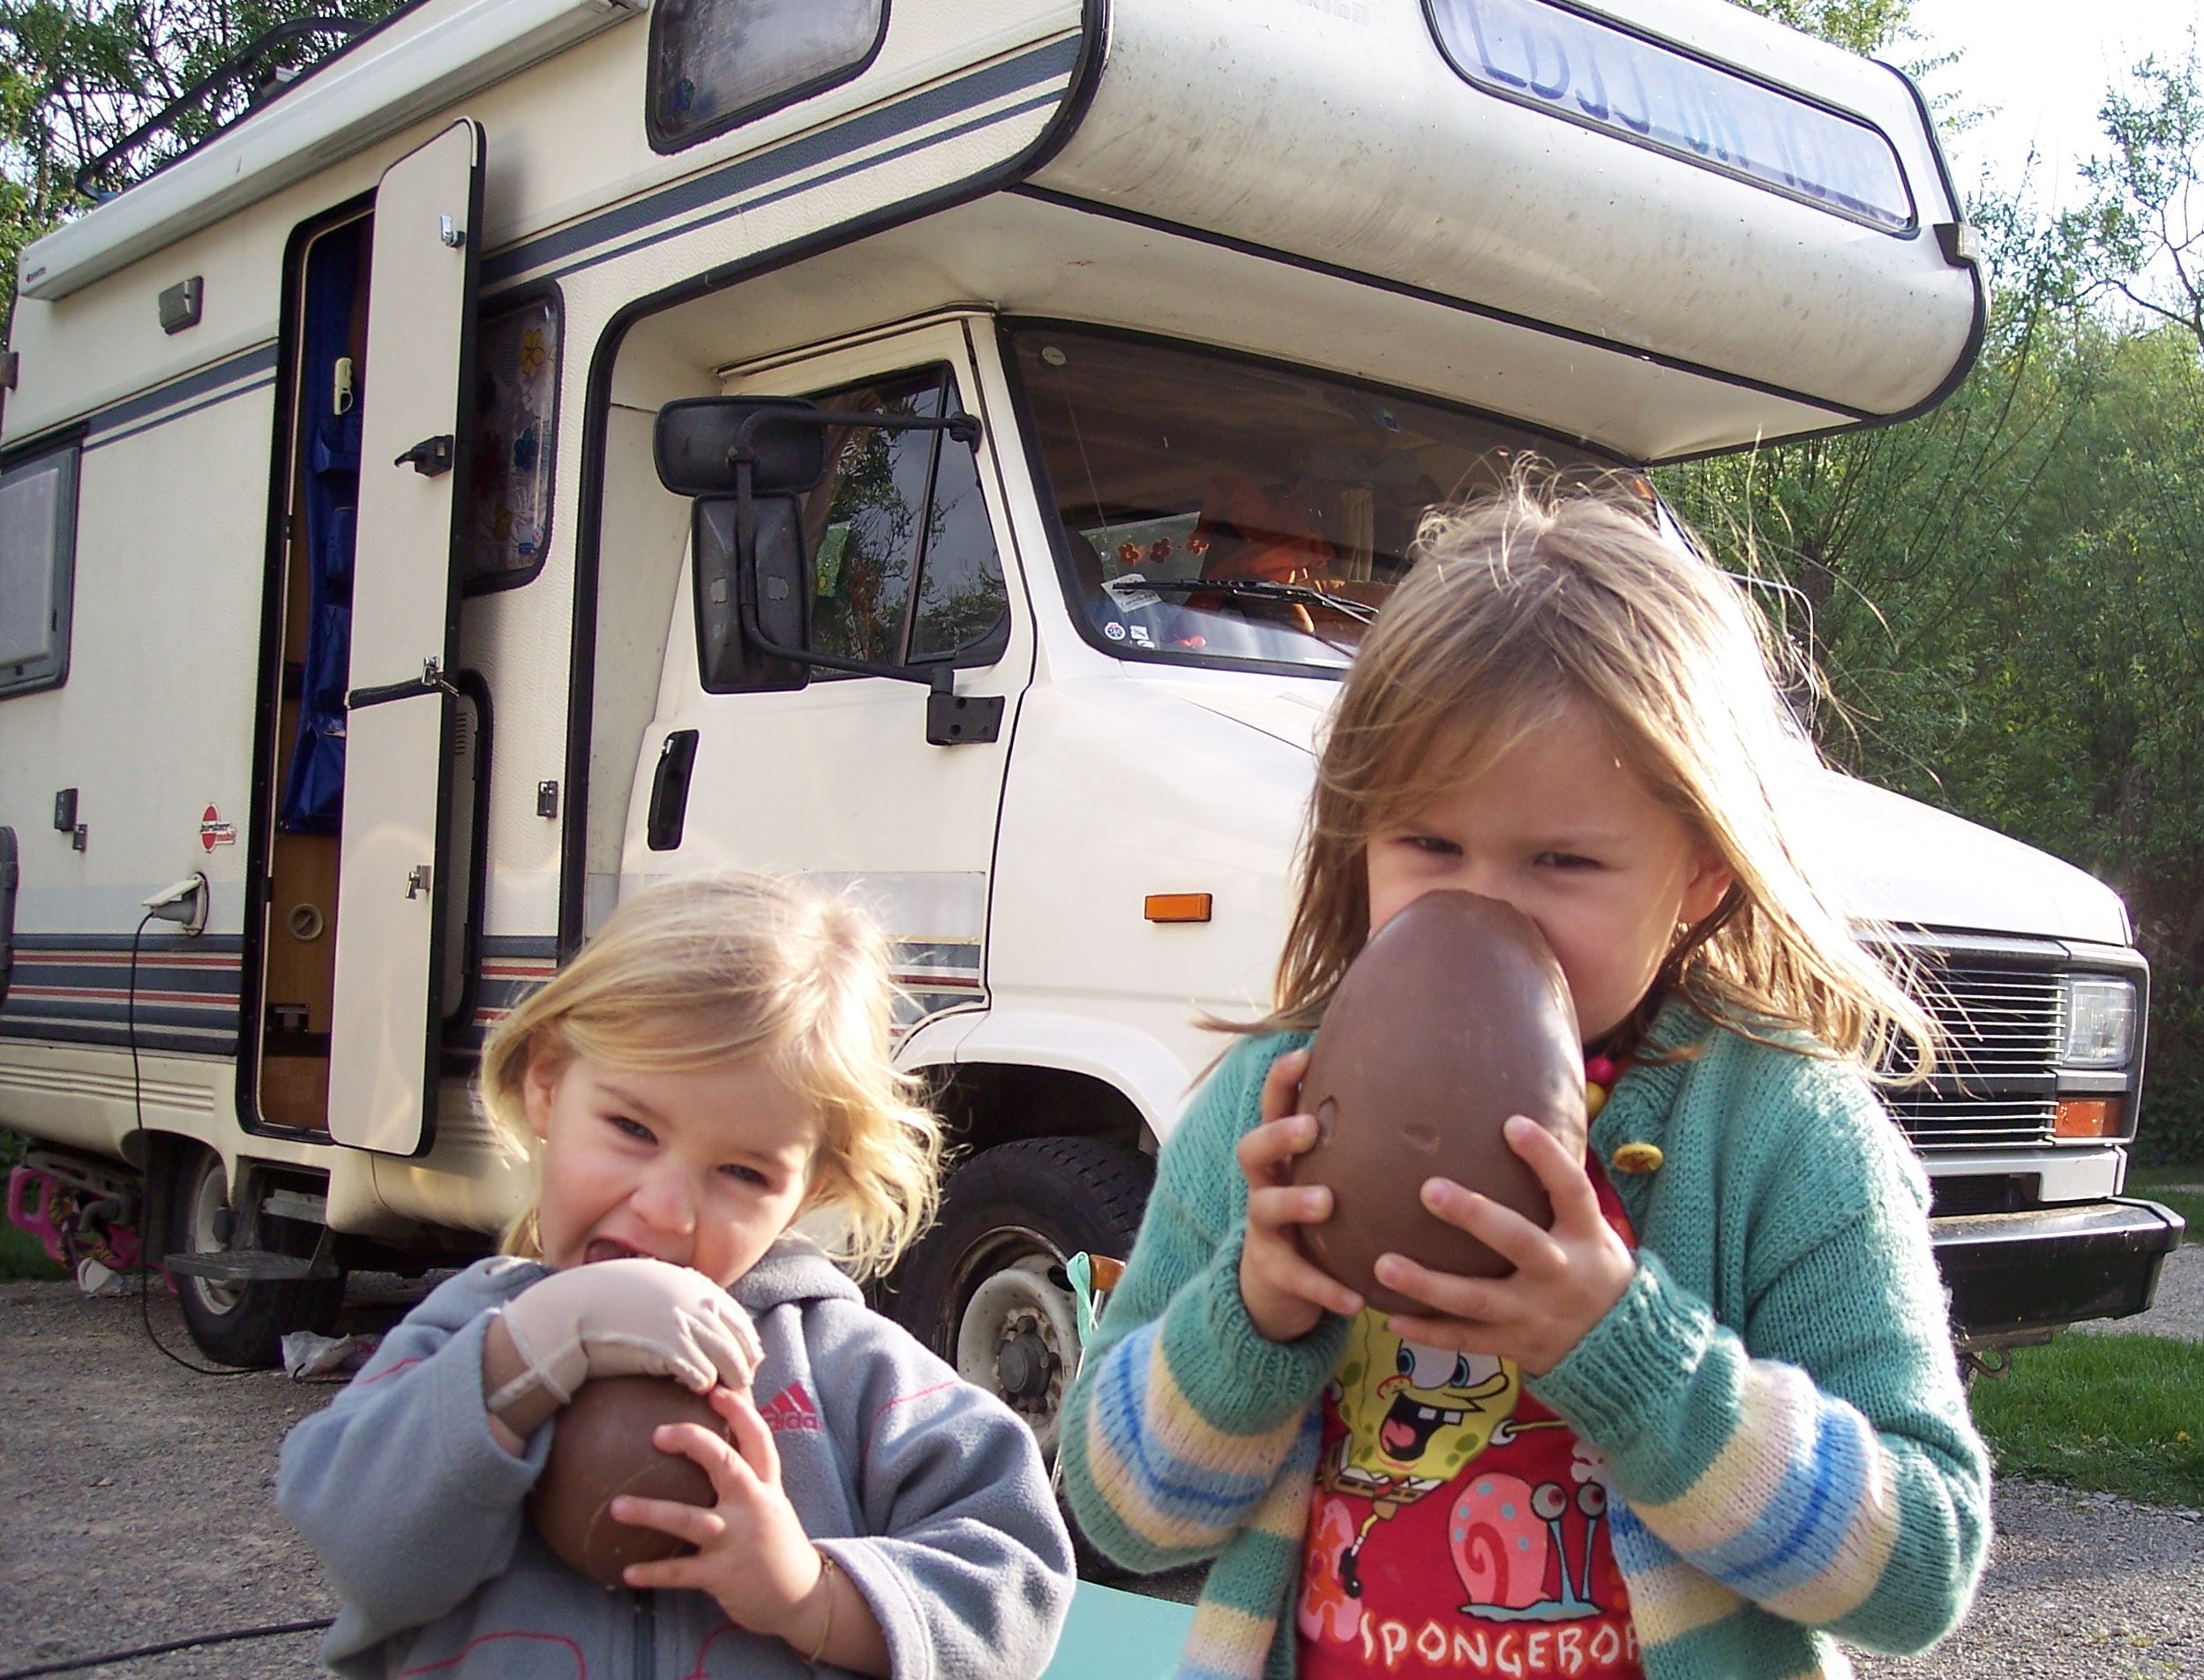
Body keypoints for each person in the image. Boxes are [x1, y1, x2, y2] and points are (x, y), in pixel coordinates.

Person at [1060, 477, 1990, 1679]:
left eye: (1561, 860)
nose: (1483, 902)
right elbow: (1119, 1512)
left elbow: (1919, 1570)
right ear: (1358, 837)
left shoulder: (1779, 1132)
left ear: (1702, 874)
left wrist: (1629, 1352)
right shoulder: (1271, 1109)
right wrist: (1253, 1318)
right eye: (1428, 844)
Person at [279, 874, 1073, 1680]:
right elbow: (356, 1540)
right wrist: (527, 1354)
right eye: (631, 1127)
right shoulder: (471, 1330)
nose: (665, 1210)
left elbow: (1018, 1583)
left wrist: (812, 1596)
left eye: (740, 1172)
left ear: (816, 1188)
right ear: (547, 1086)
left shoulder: (854, 1372)